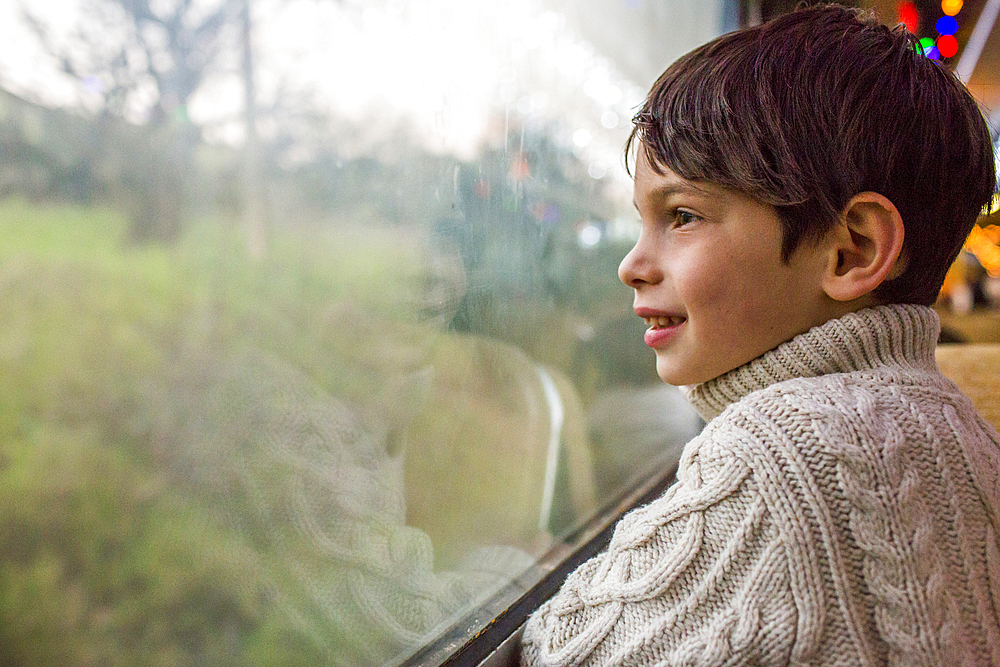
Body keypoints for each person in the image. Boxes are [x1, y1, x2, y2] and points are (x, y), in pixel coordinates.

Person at [521, 4, 1000, 666]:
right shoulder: (951, 423)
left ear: (851, 250)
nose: (632, 264)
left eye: (682, 215)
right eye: (642, 221)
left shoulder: (785, 448)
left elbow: (559, 651)